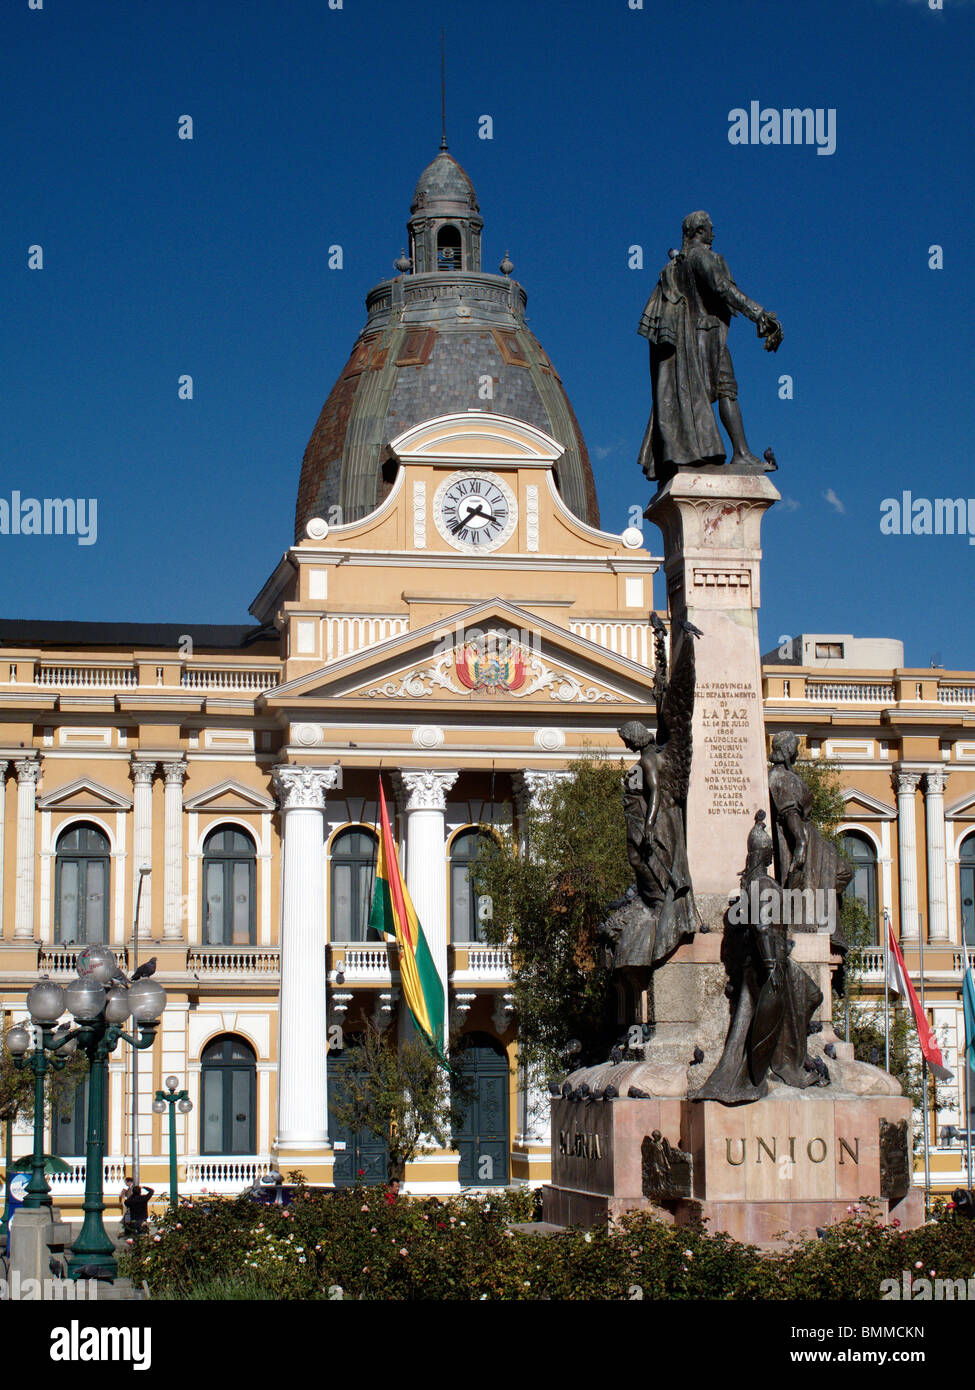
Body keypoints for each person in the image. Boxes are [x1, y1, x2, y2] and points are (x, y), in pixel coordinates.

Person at [637, 210, 783, 484]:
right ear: (699, 231)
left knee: (717, 393)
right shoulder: (700, 257)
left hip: (693, 340)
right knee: (717, 392)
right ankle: (730, 453)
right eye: (710, 228)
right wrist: (759, 313)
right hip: (704, 337)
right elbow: (722, 288)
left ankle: (738, 452)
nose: (714, 233)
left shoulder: (678, 264)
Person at [692, 812, 824, 1104]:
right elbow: (762, 926)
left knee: (810, 996)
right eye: (769, 854)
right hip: (770, 964)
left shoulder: (757, 884)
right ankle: (776, 1069)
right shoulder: (762, 885)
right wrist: (770, 965)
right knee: (778, 1010)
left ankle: (788, 1062)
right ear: (766, 856)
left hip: (775, 962)